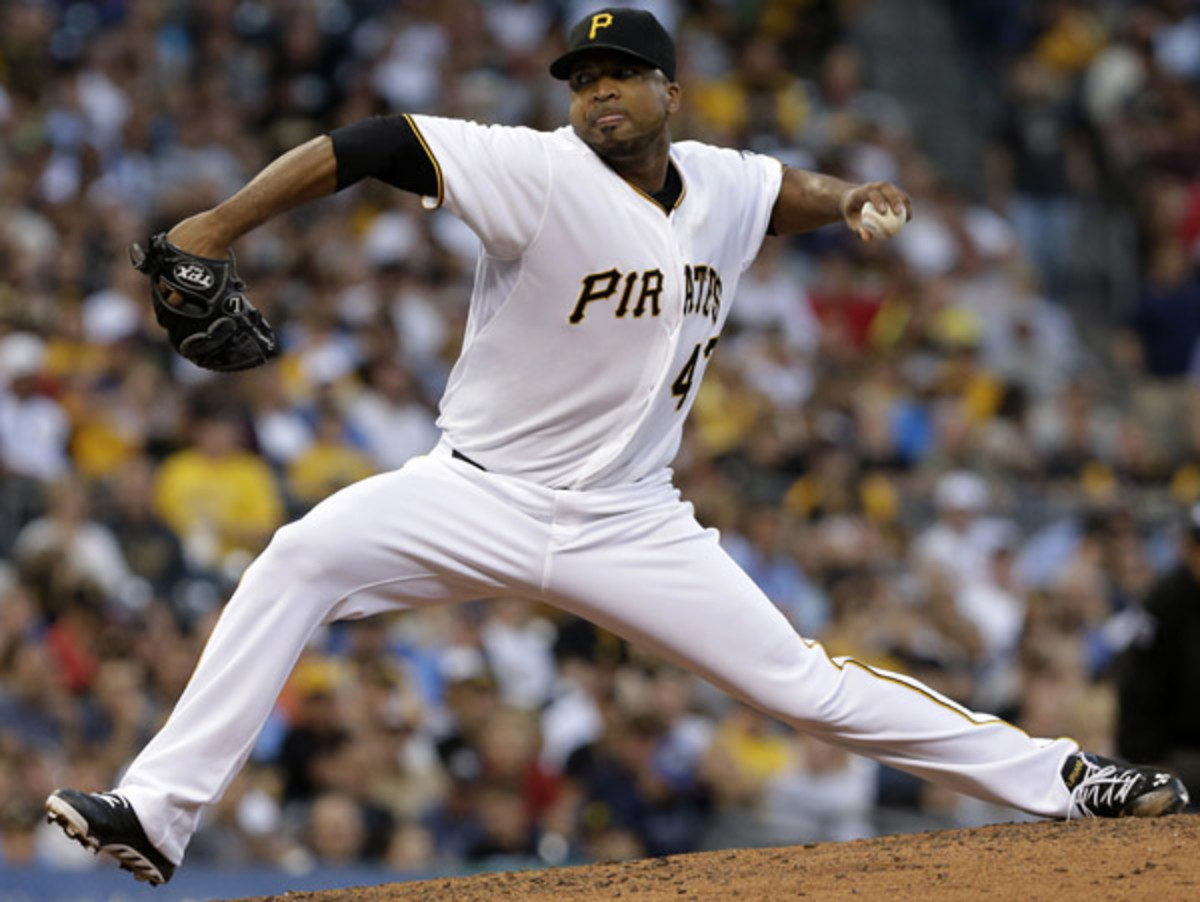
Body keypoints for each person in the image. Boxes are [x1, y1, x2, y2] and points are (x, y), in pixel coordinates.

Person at [45, 8, 1187, 886]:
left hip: (633, 520)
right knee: (299, 557)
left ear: (668, 89)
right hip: (476, 490)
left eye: (619, 75)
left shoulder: (727, 184)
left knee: (805, 686)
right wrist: (214, 226)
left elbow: (782, 192)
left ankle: (1069, 778)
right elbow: (374, 141)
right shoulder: (536, 169)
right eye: (583, 79)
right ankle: (158, 809)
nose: (598, 93)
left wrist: (852, 199)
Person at [1116, 504, 1200, 800]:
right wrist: (1147, 758)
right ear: (1187, 548)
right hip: (1177, 753)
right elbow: (1138, 685)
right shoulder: (1164, 602)